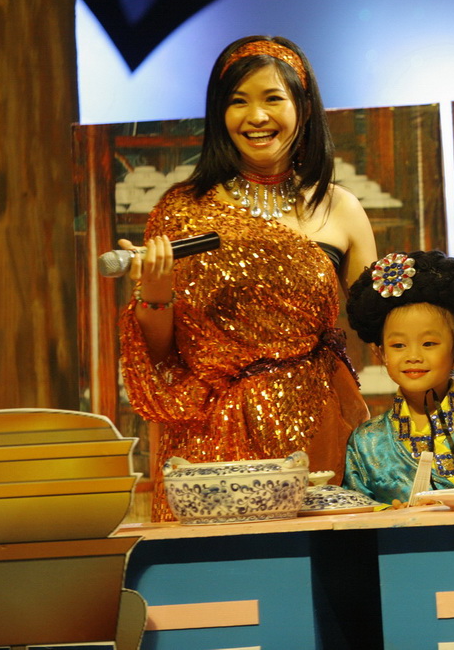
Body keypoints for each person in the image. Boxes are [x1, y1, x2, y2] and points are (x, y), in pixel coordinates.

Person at [118, 35, 376, 521]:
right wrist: (154, 290)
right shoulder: (181, 210)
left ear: (303, 107)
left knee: (323, 560)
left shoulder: (339, 207)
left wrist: (445, 396)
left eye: (272, 98)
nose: (256, 117)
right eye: (238, 102)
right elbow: (160, 355)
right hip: (211, 440)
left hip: (318, 428)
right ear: (220, 114)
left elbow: (383, 327)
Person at [343, 251, 454, 504]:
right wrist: (385, 512)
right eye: (398, 346)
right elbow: (354, 505)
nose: (413, 356)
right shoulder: (366, 440)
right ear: (380, 353)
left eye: (428, 343)